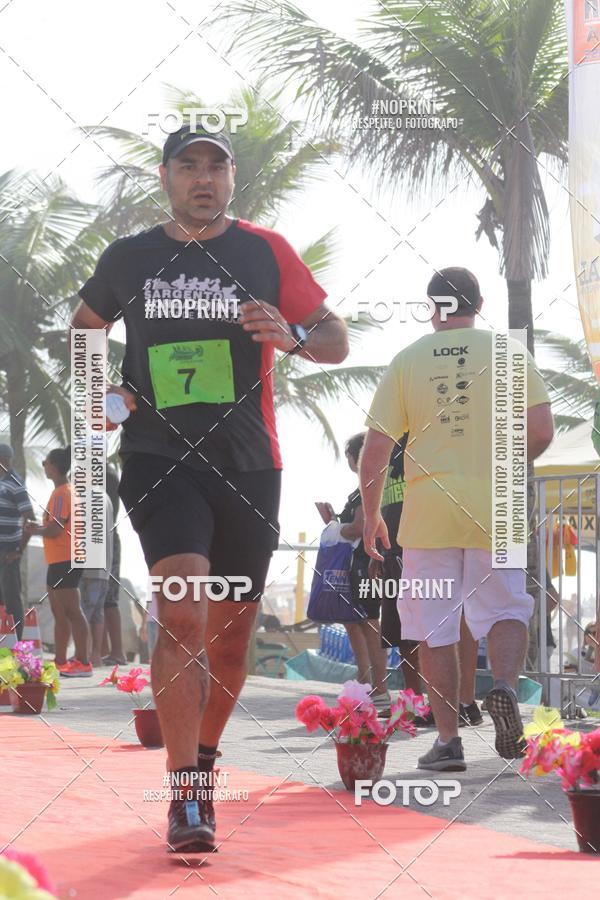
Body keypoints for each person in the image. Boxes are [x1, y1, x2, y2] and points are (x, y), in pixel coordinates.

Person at [71, 122, 348, 852]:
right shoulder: (130, 257)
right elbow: (84, 329)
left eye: (216, 167)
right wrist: (104, 397)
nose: (203, 178)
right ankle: (185, 798)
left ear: (231, 180)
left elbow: (334, 339)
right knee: (184, 606)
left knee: (229, 640)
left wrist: (288, 336)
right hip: (160, 456)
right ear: (165, 177)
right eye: (188, 165)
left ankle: (205, 765)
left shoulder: (265, 251)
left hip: (249, 463)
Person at [360, 267, 553, 770]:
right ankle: (506, 687)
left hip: (429, 510)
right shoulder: (509, 352)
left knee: (432, 626)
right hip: (500, 503)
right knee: (508, 606)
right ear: (479, 301)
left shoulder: (408, 360)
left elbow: (376, 447)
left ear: (432, 307)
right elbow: (541, 430)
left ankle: (448, 741)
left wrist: (371, 513)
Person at [318, 433, 390, 714]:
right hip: (360, 563)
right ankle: (366, 684)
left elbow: (360, 526)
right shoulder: (367, 487)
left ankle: (380, 689)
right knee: (355, 622)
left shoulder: (367, 487)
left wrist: (337, 528)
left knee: (369, 622)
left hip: (365, 563)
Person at [24, 447, 92, 677]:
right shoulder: (61, 492)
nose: (43, 466)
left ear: (54, 466)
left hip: (67, 558)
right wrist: (38, 529)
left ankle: (83, 662)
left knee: (72, 611)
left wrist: (35, 530)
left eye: (45, 462)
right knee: (59, 612)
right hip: (58, 559)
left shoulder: (64, 493)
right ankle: (61, 660)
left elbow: (55, 529)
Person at [0, 444, 35, 640]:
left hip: (7, 550)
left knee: (11, 598)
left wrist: (19, 550)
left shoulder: (14, 483)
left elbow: (29, 519)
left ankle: (18, 643)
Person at [80, 492, 114, 667]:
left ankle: (83, 656)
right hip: (104, 566)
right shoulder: (105, 497)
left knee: (83, 612)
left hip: (89, 568)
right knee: (97, 614)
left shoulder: (88, 497)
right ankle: (95, 656)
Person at [101, 465, 126, 665]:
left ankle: (117, 651)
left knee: (108, 598)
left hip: (105, 539)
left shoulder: (106, 475)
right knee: (100, 598)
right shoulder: (106, 473)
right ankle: (105, 650)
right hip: (102, 539)